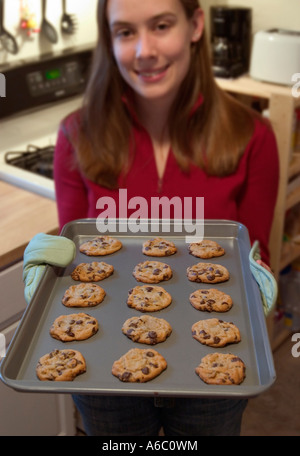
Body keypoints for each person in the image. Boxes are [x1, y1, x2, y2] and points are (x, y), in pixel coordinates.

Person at [28, 0, 279, 436]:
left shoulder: (251, 136)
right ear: (110, 41)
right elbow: (78, 258)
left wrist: (260, 284)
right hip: (103, 371)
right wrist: (47, 270)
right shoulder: (77, 134)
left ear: (195, 24)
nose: (144, 49)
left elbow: (251, 255)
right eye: (125, 31)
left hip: (211, 387)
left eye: (161, 25)